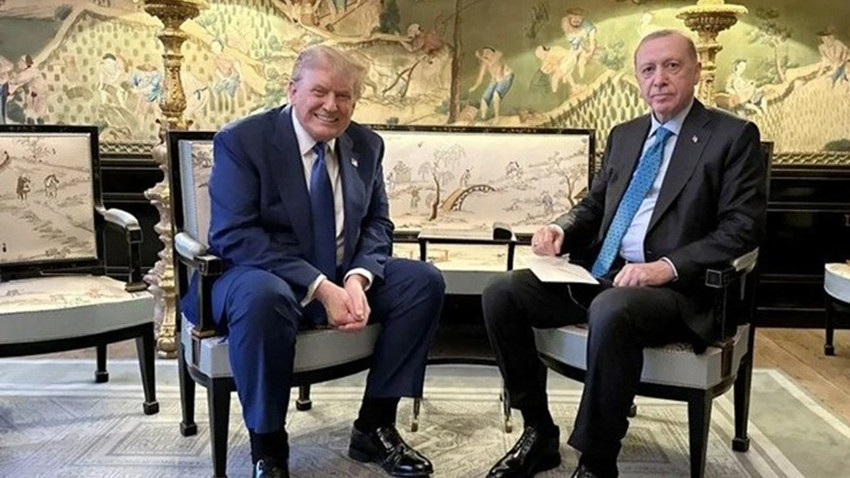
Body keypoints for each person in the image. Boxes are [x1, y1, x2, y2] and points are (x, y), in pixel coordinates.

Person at [481, 29, 766, 478]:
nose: (659, 79)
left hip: (680, 291)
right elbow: (594, 206)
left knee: (613, 307)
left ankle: (597, 461)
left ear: (695, 71)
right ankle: (539, 432)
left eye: (672, 66)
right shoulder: (625, 135)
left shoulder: (732, 136)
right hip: (604, 274)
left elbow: (742, 229)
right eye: (647, 69)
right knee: (503, 293)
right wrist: (560, 228)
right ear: (637, 79)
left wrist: (665, 267)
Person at [180, 45, 445, 478]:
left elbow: (378, 223)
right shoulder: (244, 141)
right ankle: (268, 447)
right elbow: (233, 234)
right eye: (319, 92)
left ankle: (374, 426)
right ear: (292, 90)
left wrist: (357, 279)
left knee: (423, 282)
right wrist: (320, 286)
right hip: (256, 277)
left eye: (343, 96)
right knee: (263, 296)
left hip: (341, 273)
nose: (331, 106)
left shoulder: (367, 145)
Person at [468, 47, 514, 122]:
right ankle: (483, 118)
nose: (485, 54)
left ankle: (496, 118)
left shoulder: (497, 56)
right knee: (484, 99)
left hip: (506, 78)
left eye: (488, 52)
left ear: (493, 53)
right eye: (484, 53)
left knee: (496, 96)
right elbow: (480, 78)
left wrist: (479, 57)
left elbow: (491, 63)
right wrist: (474, 87)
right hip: (496, 80)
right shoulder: (484, 64)